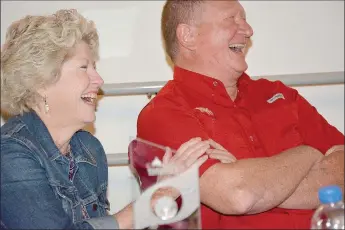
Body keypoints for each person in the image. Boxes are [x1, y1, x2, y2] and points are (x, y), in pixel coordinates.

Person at [0, 9, 229, 229]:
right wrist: (156, 197)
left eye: (95, 67)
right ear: (41, 82)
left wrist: (165, 185)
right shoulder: (10, 155)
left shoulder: (89, 149)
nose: (98, 80)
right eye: (84, 67)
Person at [134, 0, 345, 229]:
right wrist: (310, 153)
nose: (248, 30)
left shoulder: (279, 95)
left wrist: (258, 185)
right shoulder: (163, 115)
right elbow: (238, 195)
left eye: (244, 19)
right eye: (232, 19)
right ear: (188, 36)